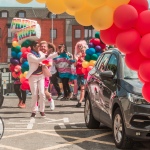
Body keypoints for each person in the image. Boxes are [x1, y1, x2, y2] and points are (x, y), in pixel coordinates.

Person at [26, 41, 58, 117]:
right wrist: (47, 55)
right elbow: (38, 60)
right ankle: (33, 111)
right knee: (34, 94)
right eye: (37, 46)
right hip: (33, 77)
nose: (39, 48)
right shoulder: (30, 55)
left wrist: (58, 53)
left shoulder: (40, 53)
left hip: (41, 76)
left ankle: (42, 110)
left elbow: (49, 56)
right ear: (33, 47)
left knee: (42, 93)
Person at [39, 41, 55, 110]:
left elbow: (50, 64)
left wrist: (42, 62)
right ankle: (36, 106)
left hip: (45, 76)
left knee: (45, 91)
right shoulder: (38, 55)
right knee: (37, 92)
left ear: (47, 48)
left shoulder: (49, 55)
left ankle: (51, 100)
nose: (43, 48)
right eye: (41, 46)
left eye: (44, 46)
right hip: (37, 75)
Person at [74, 40, 88, 107]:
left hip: (84, 74)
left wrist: (81, 58)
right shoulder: (77, 56)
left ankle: (80, 102)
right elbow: (74, 65)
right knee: (81, 88)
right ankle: (85, 100)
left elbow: (86, 64)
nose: (80, 48)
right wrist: (76, 60)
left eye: (81, 47)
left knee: (82, 87)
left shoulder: (86, 56)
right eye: (79, 46)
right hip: (78, 74)